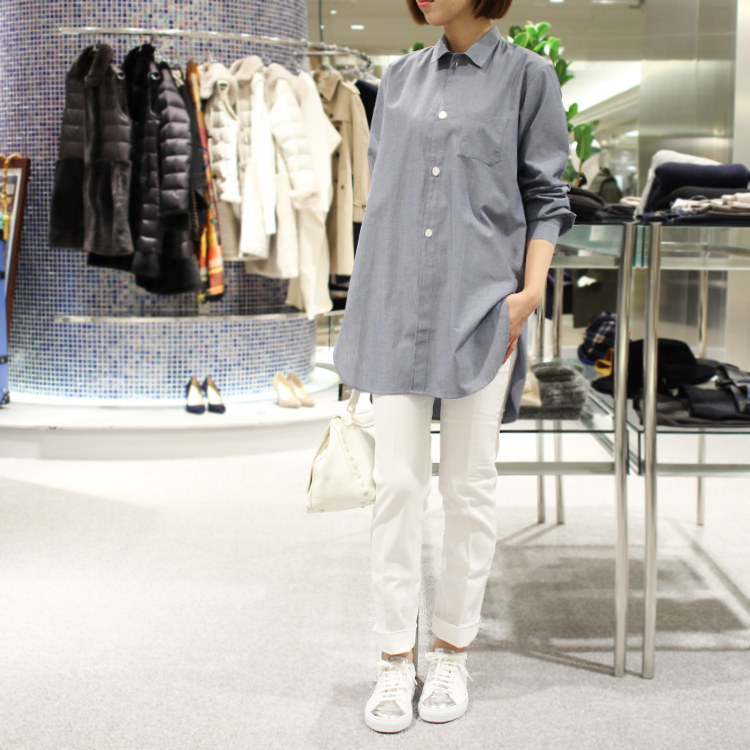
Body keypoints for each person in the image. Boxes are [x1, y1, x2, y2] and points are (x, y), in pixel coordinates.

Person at [333, 0, 575, 733]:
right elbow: (384, 202)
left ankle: (451, 650)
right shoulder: (399, 80)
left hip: (481, 308)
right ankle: (392, 658)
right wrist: (363, 306)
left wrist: (530, 293)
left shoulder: (528, 77)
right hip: (396, 307)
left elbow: (547, 195)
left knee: (468, 488)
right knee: (397, 488)